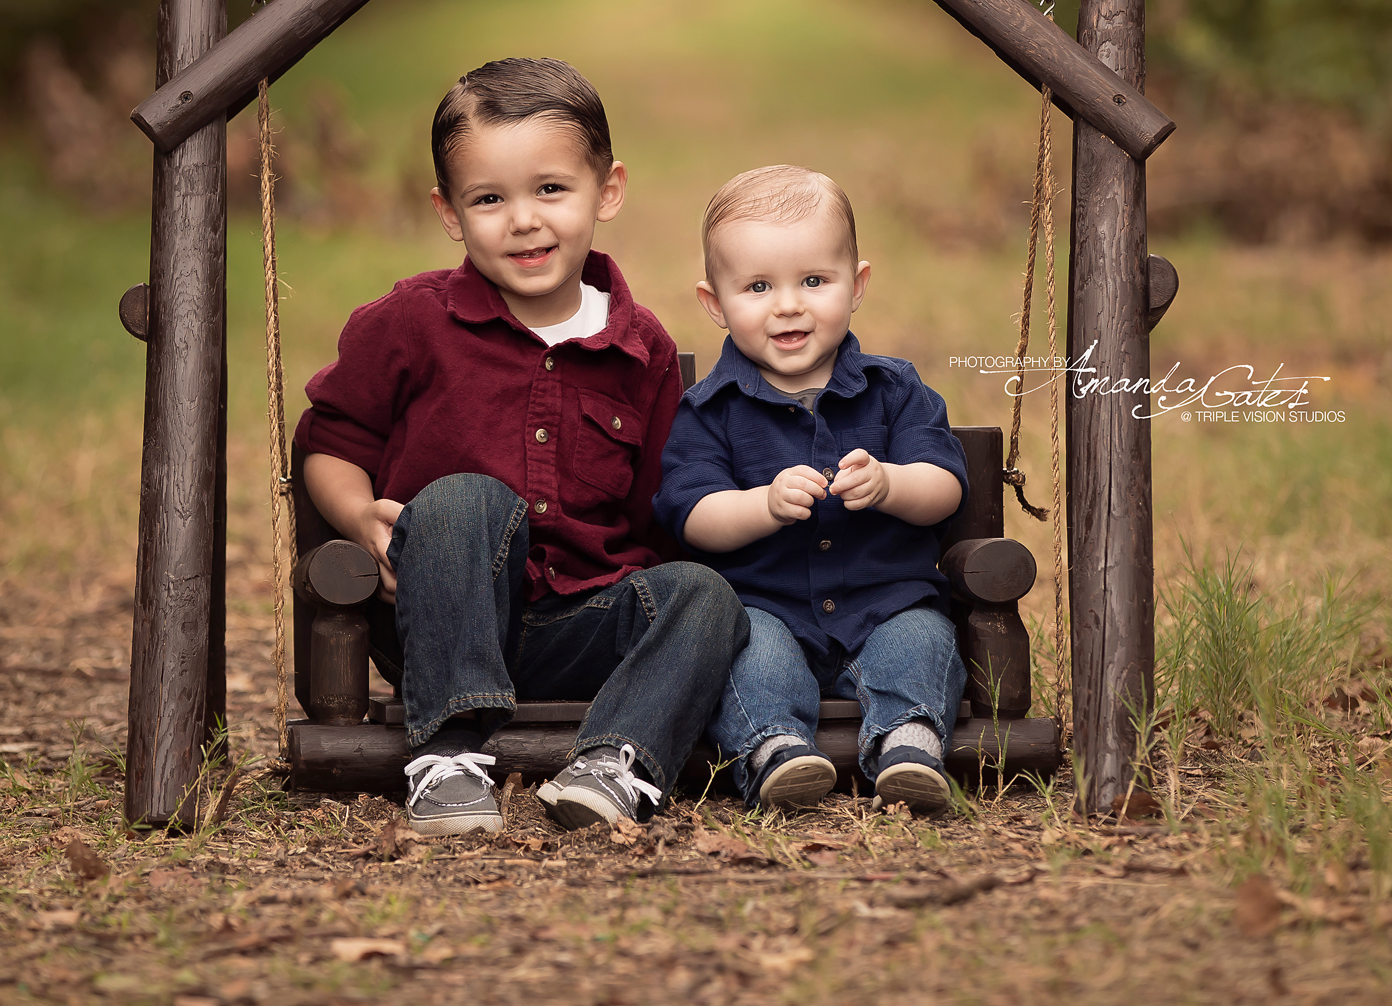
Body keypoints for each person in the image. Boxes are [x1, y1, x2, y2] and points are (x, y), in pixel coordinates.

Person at [297, 58, 747, 836]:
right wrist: (360, 515)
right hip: (439, 614)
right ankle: (445, 756)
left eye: (550, 189)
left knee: (704, 594)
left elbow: (661, 511)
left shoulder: (640, 349)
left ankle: (617, 760)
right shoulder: (413, 321)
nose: (524, 219)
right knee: (464, 496)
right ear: (449, 212)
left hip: (582, 624)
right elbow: (330, 439)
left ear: (606, 191)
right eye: (489, 198)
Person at [653, 165, 969, 815]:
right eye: (759, 285)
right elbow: (693, 515)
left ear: (857, 286)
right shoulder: (709, 410)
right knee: (747, 656)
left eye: (814, 281)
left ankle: (909, 742)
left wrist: (889, 483)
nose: (788, 303)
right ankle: (773, 748)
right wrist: (761, 504)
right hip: (765, 607)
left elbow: (943, 487)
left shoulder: (895, 389)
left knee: (924, 640)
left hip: (885, 601)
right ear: (715, 302)